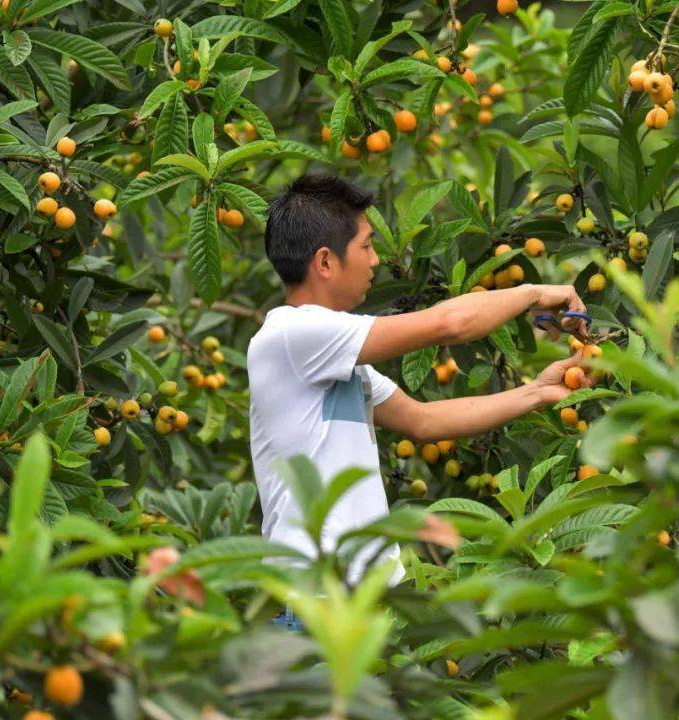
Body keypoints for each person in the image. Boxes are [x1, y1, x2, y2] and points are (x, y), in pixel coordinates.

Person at [247, 173, 591, 624]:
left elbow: (423, 422)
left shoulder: (335, 359)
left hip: (370, 602)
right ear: (326, 262)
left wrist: (537, 391)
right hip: (322, 606)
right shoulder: (293, 335)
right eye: (367, 246)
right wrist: (532, 292)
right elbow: (448, 324)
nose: (375, 260)